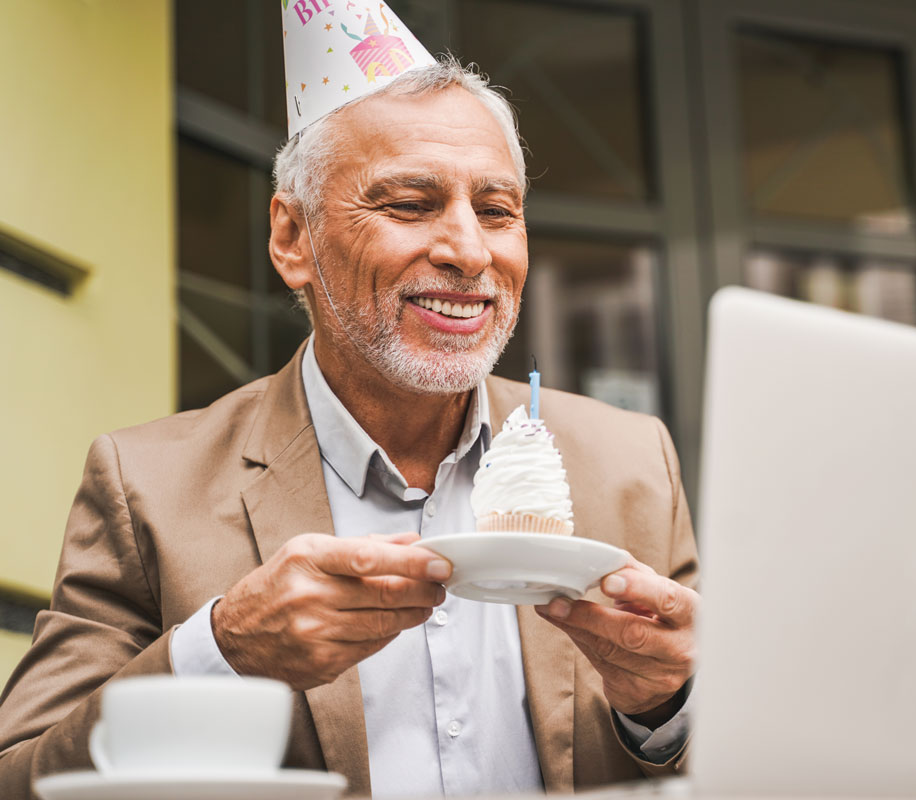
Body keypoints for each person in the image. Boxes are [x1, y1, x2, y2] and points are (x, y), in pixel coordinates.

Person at [0, 10, 698, 799]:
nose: (471, 251)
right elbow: (20, 776)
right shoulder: (147, 488)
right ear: (293, 236)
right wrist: (224, 650)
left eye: (497, 211)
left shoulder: (635, 467)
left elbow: (750, 757)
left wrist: (668, 705)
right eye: (409, 203)